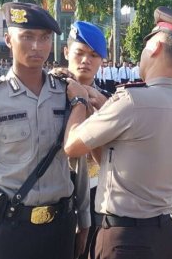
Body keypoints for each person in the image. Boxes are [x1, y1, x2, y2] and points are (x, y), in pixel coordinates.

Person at [63, 6, 172, 259]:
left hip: (125, 240)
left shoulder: (131, 100)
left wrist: (80, 101)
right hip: (165, 236)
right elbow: (111, 159)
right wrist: (104, 105)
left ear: (155, 48)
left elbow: (71, 145)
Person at [0, 2, 90, 259]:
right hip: (11, 231)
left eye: (44, 38)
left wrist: (84, 221)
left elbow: (80, 164)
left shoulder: (67, 93)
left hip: (60, 227)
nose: (36, 46)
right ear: (8, 39)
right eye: (27, 37)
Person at [55, 21, 111, 259]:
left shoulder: (110, 102)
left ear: (101, 61)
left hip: (96, 191)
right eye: (79, 53)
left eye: (94, 55)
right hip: (59, 191)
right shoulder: (49, 93)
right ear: (66, 52)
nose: (86, 60)